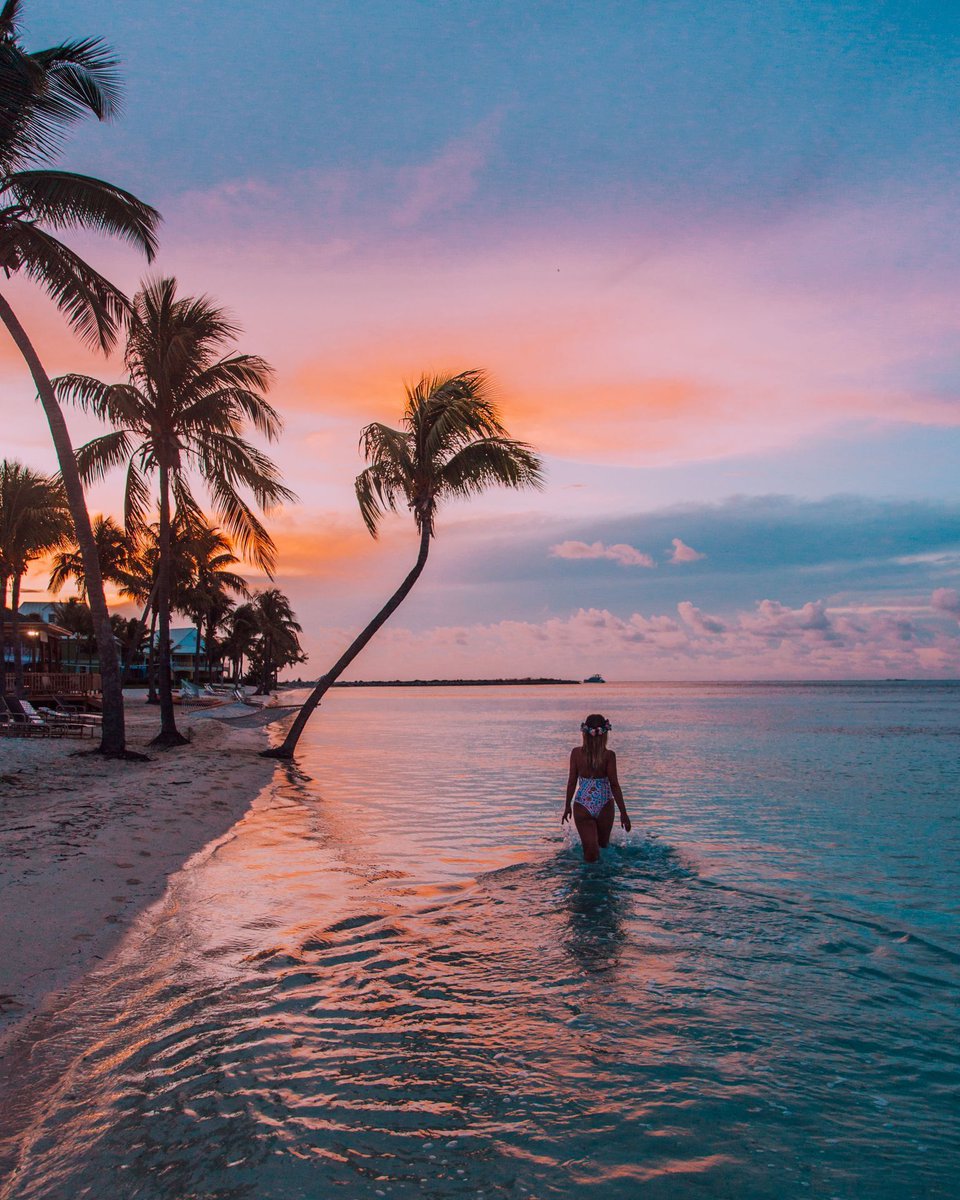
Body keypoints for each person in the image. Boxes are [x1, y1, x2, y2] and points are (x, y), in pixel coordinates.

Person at [562, 713, 631, 861]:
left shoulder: (578, 754)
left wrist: (567, 805)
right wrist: (623, 813)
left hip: (583, 804)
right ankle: (599, 879)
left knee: (593, 851)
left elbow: (572, 782)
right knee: (599, 848)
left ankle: (590, 879)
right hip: (604, 804)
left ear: (584, 734)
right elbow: (614, 785)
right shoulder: (608, 755)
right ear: (604, 734)